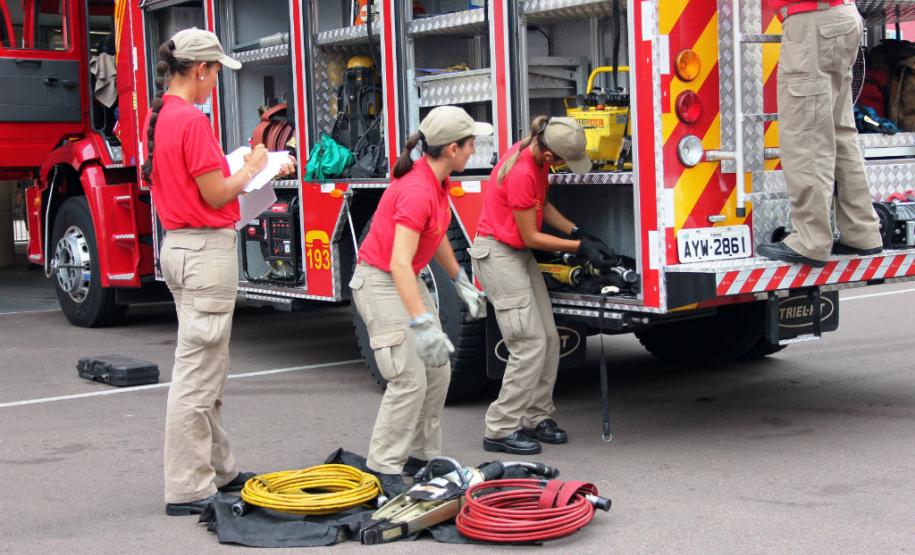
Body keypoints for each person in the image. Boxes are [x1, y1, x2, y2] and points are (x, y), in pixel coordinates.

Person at [142, 28, 295, 516]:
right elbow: (217, 194)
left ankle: (219, 470)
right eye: (214, 73)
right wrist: (255, 165)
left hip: (181, 248)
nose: (214, 84)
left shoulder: (161, 115)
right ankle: (189, 487)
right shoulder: (189, 120)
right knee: (197, 375)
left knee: (206, 367)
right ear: (201, 69)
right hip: (205, 252)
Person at [350, 106, 490, 495]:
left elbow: (438, 235)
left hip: (402, 278)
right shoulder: (416, 190)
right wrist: (422, 322)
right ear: (451, 149)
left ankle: (421, 457)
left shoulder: (436, 183)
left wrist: (460, 280)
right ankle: (383, 467)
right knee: (408, 377)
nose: (474, 148)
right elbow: (397, 264)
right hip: (380, 282)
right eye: (470, 143)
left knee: (438, 369)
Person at [470, 116, 616, 455]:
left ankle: (537, 417)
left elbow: (543, 206)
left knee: (550, 338)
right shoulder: (521, 170)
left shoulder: (535, 155)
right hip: (499, 254)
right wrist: (582, 249)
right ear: (550, 155)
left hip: (517, 254)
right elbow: (531, 235)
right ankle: (500, 428)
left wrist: (577, 231)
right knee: (528, 343)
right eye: (565, 161)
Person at [757, 0, 883, 267]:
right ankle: (862, 232)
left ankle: (809, 240)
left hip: (811, 22)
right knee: (840, 133)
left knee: (806, 135)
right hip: (840, 16)